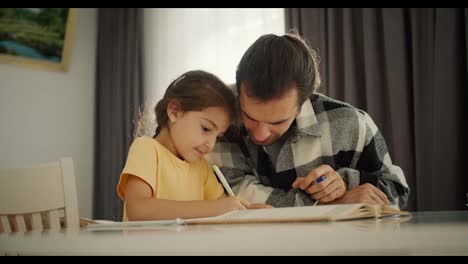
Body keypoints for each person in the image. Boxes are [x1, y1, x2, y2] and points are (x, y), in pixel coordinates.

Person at [206, 32, 410, 209]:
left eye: (277, 122)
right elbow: (235, 194)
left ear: (304, 100)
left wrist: (346, 181)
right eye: (249, 117)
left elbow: (397, 194)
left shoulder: (351, 123)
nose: (260, 134)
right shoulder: (219, 117)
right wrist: (329, 204)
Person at [117, 70, 269, 221]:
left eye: (218, 136)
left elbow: (226, 211)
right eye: (206, 129)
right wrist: (217, 208)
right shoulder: (146, 149)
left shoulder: (201, 167)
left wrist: (252, 212)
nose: (211, 144)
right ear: (174, 111)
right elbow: (138, 210)